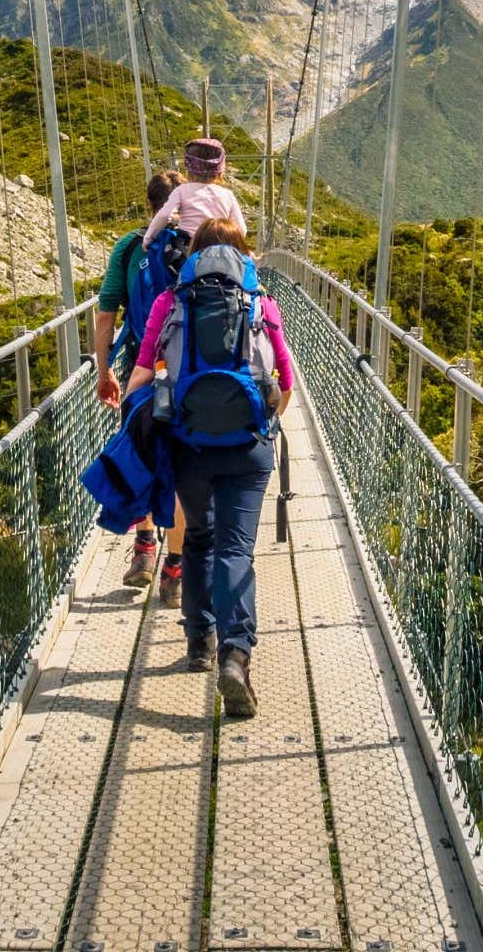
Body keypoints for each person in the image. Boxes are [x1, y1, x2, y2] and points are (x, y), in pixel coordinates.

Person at [123, 217, 292, 718]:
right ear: (243, 258)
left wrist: (143, 419)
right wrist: (266, 425)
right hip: (248, 447)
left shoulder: (168, 303)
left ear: (193, 255)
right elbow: (285, 381)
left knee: (198, 537)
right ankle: (235, 656)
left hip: (189, 444)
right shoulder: (262, 304)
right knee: (235, 547)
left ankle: (198, 642)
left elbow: (138, 381)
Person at [92, 171, 189, 596]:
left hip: (142, 369)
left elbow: (105, 313)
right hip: (189, 372)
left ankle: (145, 548)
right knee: (185, 464)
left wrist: (103, 370)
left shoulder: (131, 247)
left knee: (143, 452)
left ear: (149, 205)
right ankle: (176, 567)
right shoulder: (200, 245)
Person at [142, 138, 246, 248]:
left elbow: (164, 215)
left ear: (188, 167)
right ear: (220, 170)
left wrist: (148, 239)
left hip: (190, 248)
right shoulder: (227, 195)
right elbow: (241, 229)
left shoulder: (182, 190)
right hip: (220, 249)